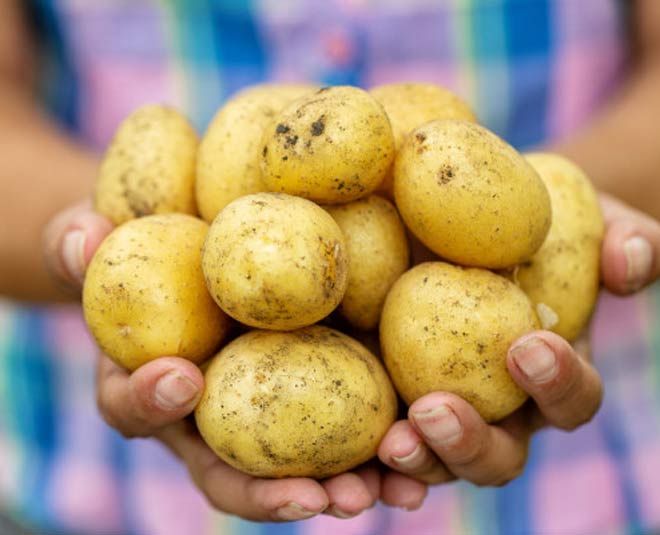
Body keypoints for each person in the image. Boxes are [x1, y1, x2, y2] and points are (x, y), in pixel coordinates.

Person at [1, 0, 660, 533]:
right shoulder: (253, 211)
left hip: (588, 492)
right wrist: (85, 240)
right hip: (103, 496)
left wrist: (567, 211)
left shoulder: (414, 185)